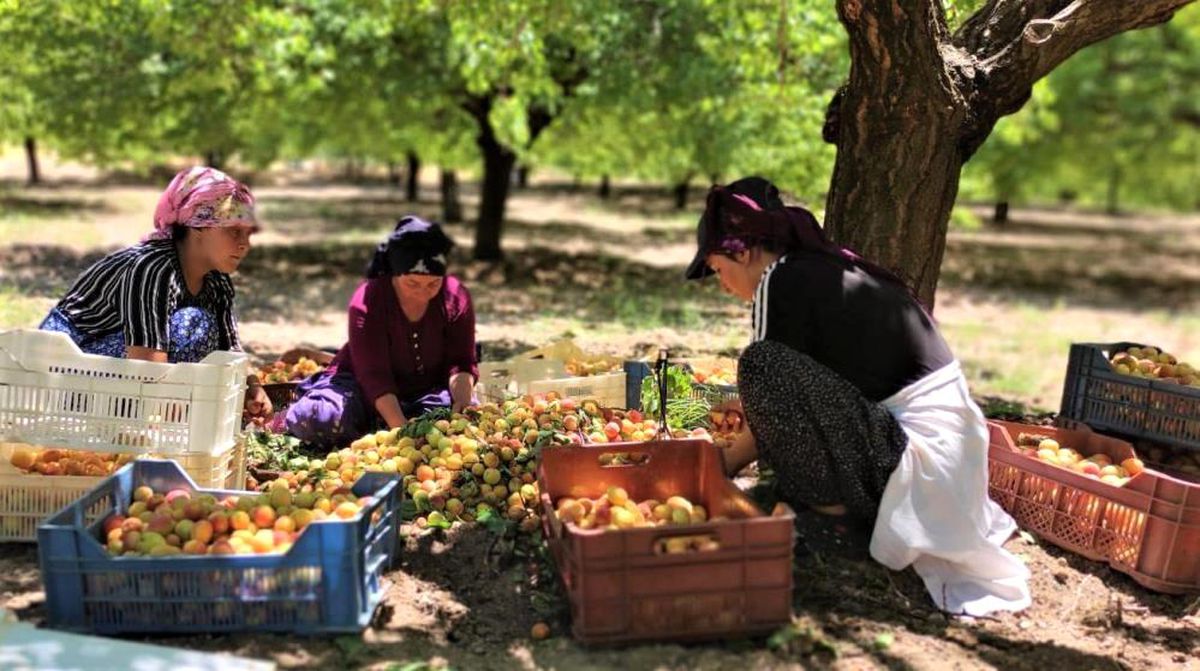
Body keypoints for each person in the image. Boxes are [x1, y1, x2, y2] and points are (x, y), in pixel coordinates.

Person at [686, 176, 1030, 616]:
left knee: (760, 364)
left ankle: (833, 521)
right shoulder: (820, 270)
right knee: (766, 372)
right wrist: (752, 408)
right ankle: (834, 507)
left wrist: (722, 464)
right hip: (947, 460)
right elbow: (825, 382)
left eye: (718, 270)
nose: (723, 286)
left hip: (917, 462)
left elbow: (774, 375)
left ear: (743, 252)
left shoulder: (781, 279)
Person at [39, 166, 271, 419]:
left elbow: (229, 348)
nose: (244, 244)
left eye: (248, 234)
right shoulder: (153, 269)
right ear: (198, 225)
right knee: (191, 324)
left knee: (204, 334)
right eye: (234, 231)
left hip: (110, 375)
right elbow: (147, 366)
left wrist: (252, 388)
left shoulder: (217, 280)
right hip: (54, 376)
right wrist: (182, 416)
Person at [286, 216, 478, 447]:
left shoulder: (455, 296)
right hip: (359, 387)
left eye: (433, 284)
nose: (423, 293)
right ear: (395, 273)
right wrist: (403, 432)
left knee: (448, 421)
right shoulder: (368, 301)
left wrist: (462, 404)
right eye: (412, 284)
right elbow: (373, 375)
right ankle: (378, 420)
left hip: (426, 390)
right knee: (322, 418)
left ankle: (380, 423)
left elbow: (461, 361)